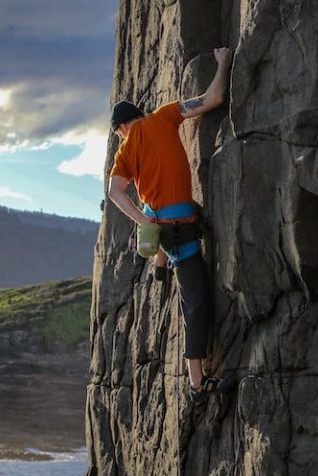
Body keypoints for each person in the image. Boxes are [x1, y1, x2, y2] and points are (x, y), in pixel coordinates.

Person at [107, 47, 236, 403]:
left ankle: (159, 263)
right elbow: (214, 98)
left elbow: (115, 191)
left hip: (167, 230)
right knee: (194, 301)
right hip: (181, 228)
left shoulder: (125, 150)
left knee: (190, 296)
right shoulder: (165, 116)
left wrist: (142, 219)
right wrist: (223, 63)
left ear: (120, 127)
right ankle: (197, 384)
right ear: (139, 116)